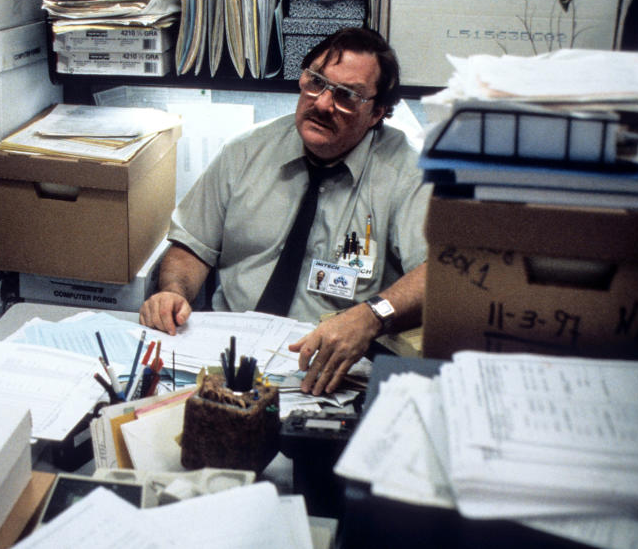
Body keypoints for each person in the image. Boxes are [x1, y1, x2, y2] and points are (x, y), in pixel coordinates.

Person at [139, 27, 432, 395]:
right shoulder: (245, 151)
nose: (323, 104)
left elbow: (439, 272)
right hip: (228, 358)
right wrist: (173, 292)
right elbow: (192, 247)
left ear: (376, 114)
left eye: (347, 96)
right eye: (317, 82)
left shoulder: (406, 171)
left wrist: (372, 316)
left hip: (330, 373)